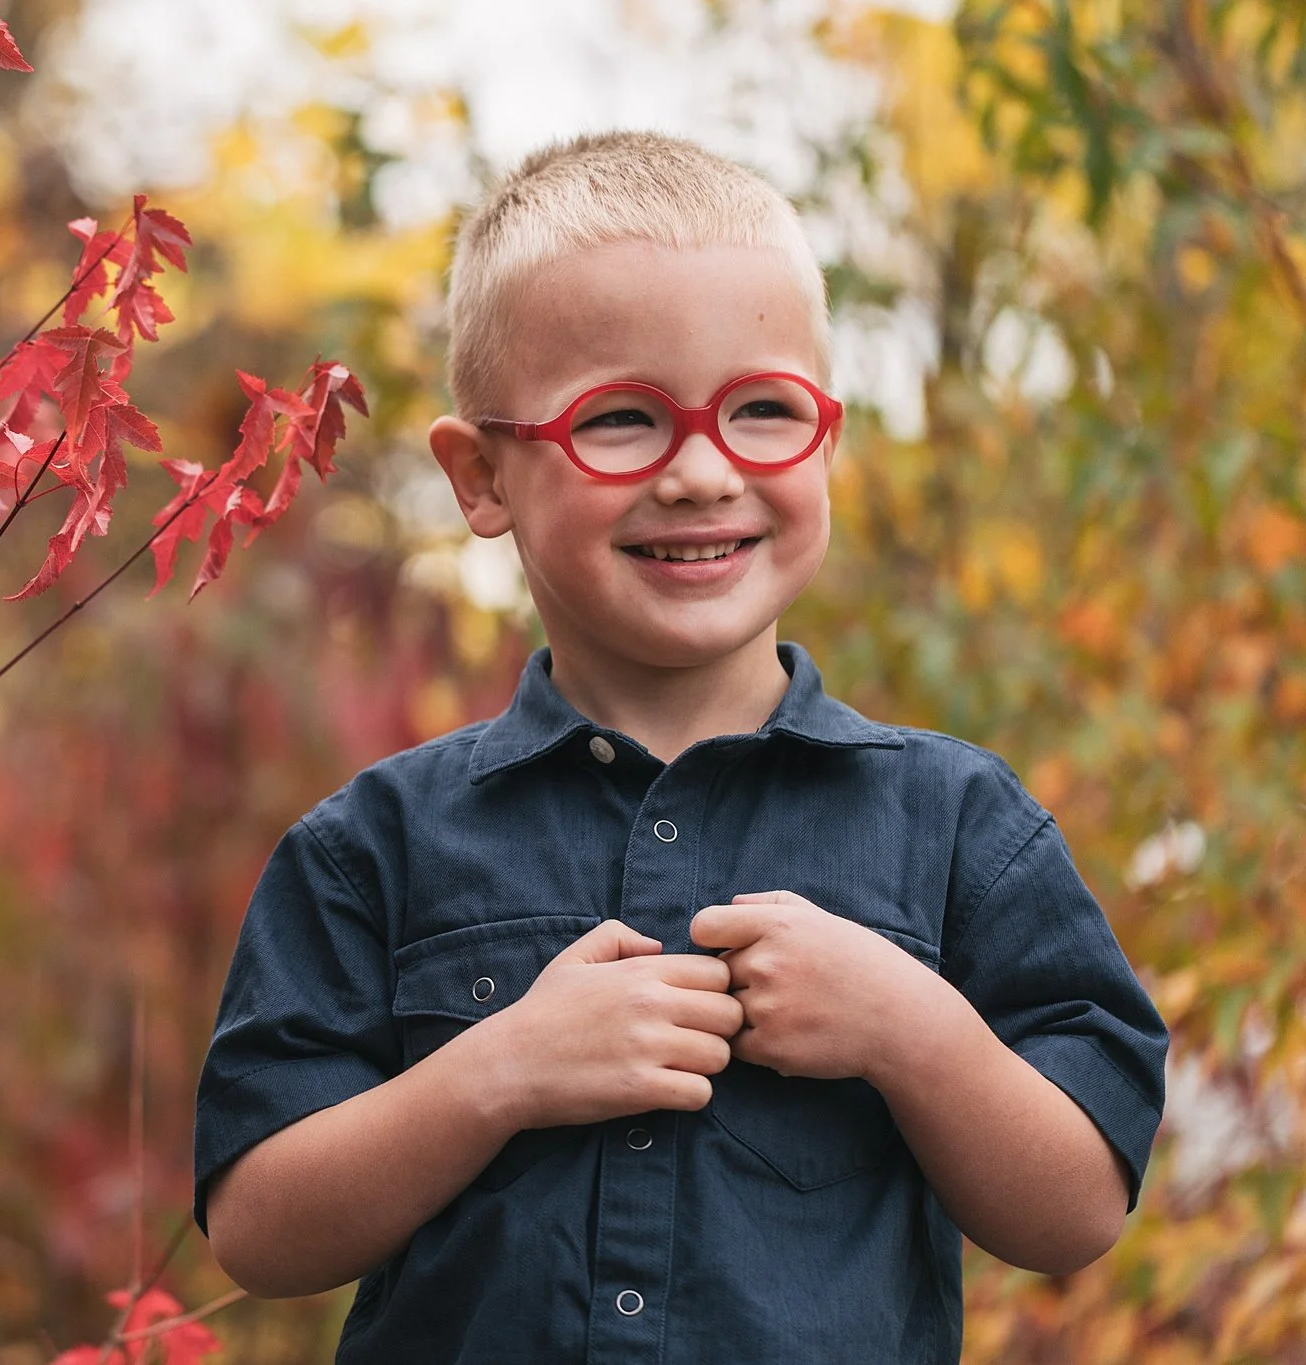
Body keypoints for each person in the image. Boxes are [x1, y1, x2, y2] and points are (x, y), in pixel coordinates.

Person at [190, 130, 1168, 1363]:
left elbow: (1075, 1212)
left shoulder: (958, 823)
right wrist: (498, 1073)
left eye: (762, 410)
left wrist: (909, 1030)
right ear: (481, 477)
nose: (703, 472)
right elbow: (259, 1232)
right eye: (619, 419)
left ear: (826, 441)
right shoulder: (373, 848)